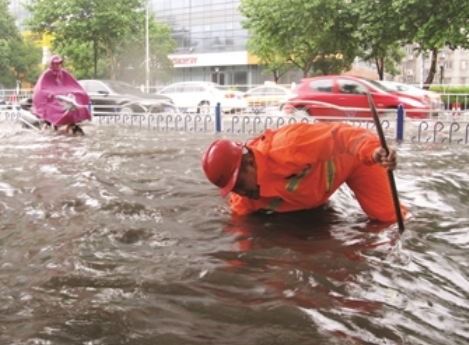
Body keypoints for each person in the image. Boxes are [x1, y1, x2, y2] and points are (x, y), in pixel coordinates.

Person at [201, 122, 407, 223]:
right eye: (231, 189)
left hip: (355, 161)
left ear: (249, 163)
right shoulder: (244, 198)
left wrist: (372, 150)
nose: (239, 192)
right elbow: (241, 230)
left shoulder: (288, 146)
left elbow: (339, 136)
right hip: (315, 194)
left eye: (238, 183)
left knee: (388, 219)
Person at [32, 55, 91, 134]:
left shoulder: (63, 73)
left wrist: (80, 92)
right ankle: (51, 124)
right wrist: (50, 94)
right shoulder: (47, 74)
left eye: (60, 63)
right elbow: (41, 87)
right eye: (56, 63)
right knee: (54, 107)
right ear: (52, 64)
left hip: (63, 99)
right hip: (51, 99)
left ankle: (68, 127)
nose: (58, 65)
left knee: (73, 108)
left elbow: (72, 84)